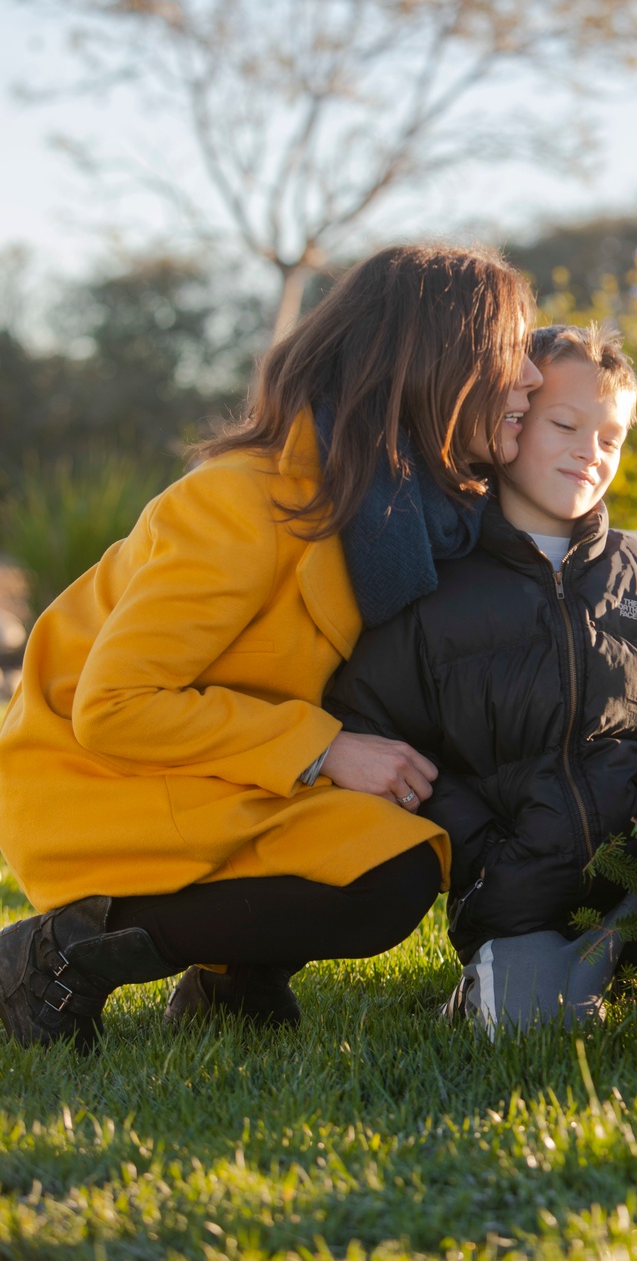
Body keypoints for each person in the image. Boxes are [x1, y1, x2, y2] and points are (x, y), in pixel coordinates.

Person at [0, 243, 542, 1050]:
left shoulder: (419, 517)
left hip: (221, 769)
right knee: (385, 881)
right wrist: (324, 751)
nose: (532, 379)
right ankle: (59, 952)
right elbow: (114, 708)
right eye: (513, 354)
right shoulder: (243, 507)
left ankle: (231, 974)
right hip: (105, 775)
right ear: (437, 364)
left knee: (399, 841)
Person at [327, 322, 637, 1035]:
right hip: (517, 897)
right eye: (563, 424)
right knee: (535, 1027)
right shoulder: (433, 592)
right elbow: (367, 726)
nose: (587, 453)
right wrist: (481, 851)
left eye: (610, 438)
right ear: (507, 427)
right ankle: (502, 986)